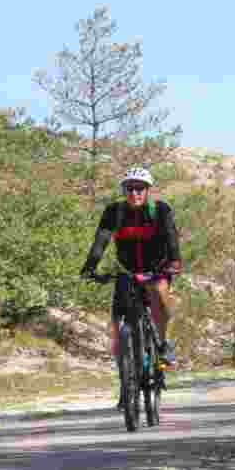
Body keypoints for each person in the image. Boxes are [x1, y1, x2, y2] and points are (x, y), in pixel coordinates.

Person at [80, 167, 183, 393]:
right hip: (127, 271)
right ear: (123, 190)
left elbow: (171, 236)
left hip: (157, 268)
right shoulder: (114, 212)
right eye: (129, 188)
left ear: (148, 191)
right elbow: (101, 240)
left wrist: (174, 261)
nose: (134, 193)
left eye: (139, 188)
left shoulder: (160, 210)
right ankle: (126, 384)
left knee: (158, 294)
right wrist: (89, 267)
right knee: (118, 325)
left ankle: (163, 345)